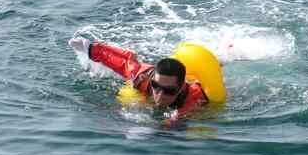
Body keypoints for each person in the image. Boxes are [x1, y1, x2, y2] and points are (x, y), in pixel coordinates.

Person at [69, 37, 208, 117]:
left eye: (169, 91)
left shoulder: (194, 97)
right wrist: (90, 49)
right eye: (156, 86)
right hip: (146, 72)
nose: (159, 95)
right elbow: (124, 61)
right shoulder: (143, 79)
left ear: (181, 88)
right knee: (129, 68)